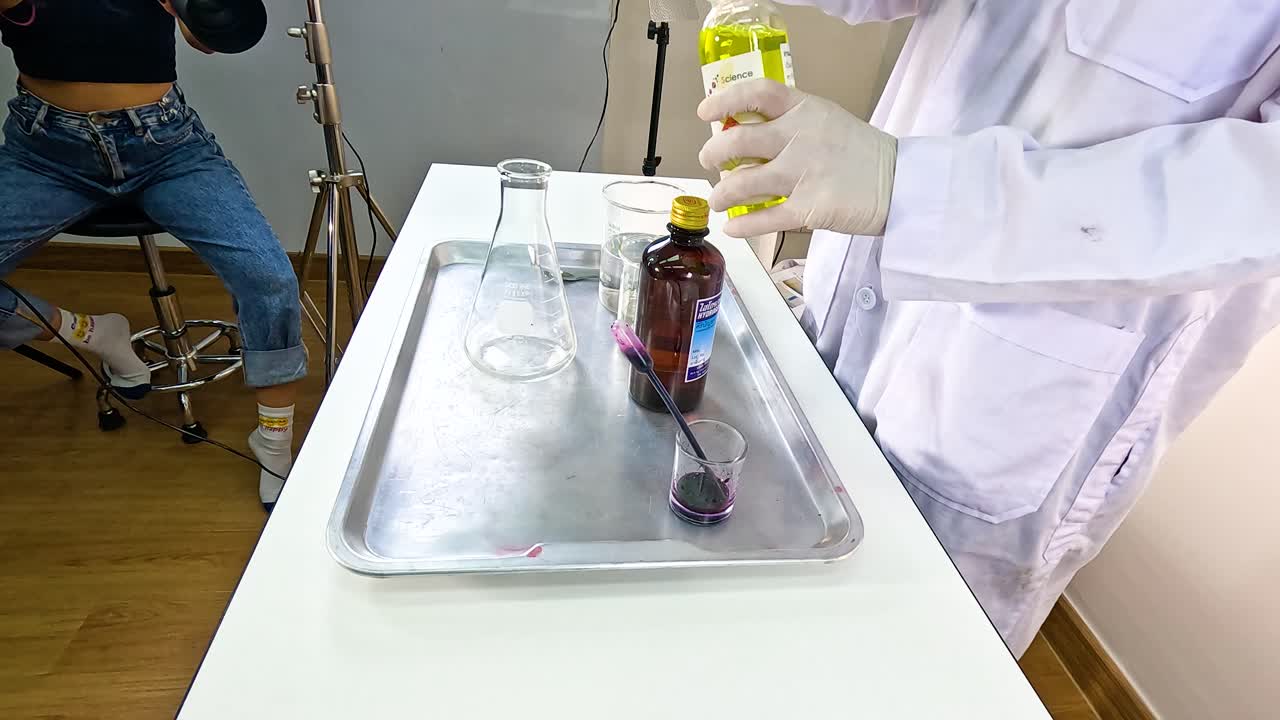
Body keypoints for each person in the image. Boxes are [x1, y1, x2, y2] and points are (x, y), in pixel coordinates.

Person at [697, 0, 1280, 656]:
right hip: (850, 297)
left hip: (1011, 388)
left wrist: (916, 191)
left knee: (898, 662)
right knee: (757, 629)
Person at [0, 0, 303, 511]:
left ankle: (273, 442)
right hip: (46, 152)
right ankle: (95, 334)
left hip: (162, 145)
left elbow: (217, 35)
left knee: (267, 278)